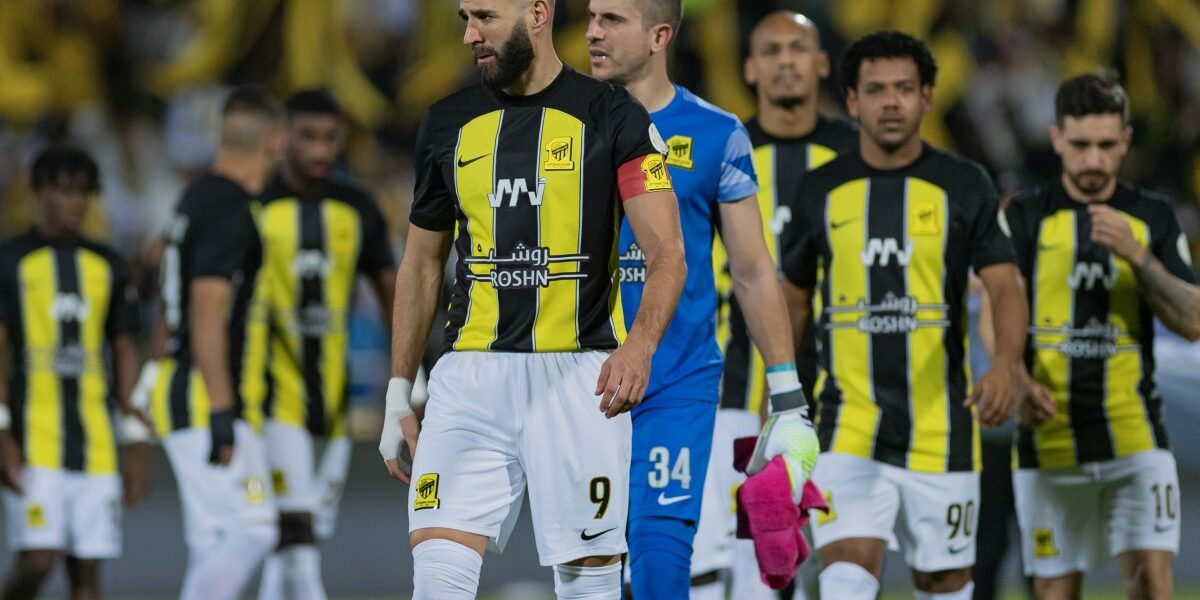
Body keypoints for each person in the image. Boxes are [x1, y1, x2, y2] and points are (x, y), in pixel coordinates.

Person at [377, 0, 689, 597]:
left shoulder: (612, 115)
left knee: (588, 587)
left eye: (485, 17)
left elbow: (667, 252)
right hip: (469, 377)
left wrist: (640, 347)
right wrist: (398, 391)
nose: (470, 35)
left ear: (538, 13)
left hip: (579, 380)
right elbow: (420, 262)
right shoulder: (446, 121)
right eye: (464, 18)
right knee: (437, 580)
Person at [780, 31, 1038, 600]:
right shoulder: (821, 189)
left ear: (926, 98)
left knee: (944, 585)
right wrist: (782, 391)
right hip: (847, 425)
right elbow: (791, 298)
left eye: (904, 89)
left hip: (942, 429)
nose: (890, 102)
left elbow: (1004, 285)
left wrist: (1004, 365)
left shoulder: (964, 183)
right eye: (875, 90)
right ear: (851, 101)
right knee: (845, 579)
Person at [585, 2, 820, 598]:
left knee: (664, 558)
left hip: (679, 379)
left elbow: (752, 270)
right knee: (590, 564)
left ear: (659, 35)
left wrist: (787, 395)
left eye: (611, 18)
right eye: (591, 16)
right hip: (580, 379)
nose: (591, 31)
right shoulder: (566, 124)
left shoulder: (718, 133)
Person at [1006, 74, 1199, 600]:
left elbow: (1194, 320)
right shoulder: (1025, 215)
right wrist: (1015, 375)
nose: (1093, 160)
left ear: (1127, 142)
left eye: (1106, 146)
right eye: (1081, 145)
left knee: (1151, 585)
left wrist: (1139, 257)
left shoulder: (1152, 216)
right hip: (1048, 440)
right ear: (1056, 140)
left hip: (1135, 436)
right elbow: (1000, 306)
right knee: (1054, 592)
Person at [703, 11, 859, 600]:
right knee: (752, 565)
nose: (786, 60)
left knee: (835, 566)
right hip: (739, 395)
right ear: (750, 68)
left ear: (822, 64)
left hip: (846, 397)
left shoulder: (859, 155)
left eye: (800, 48)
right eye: (772, 50)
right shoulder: (720, 150)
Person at [254, 88, 396, 600]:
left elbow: (390, 290)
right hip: (268, 397)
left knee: (296, 534)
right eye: (307, 136)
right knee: (297, 528)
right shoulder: (256, 202)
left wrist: (409, 377)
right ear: (282, 138)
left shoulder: (356, 207)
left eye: (329, 138)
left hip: (331, 402)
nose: (319, 150)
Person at [145, 86, 284, 600]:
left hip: (181, 383)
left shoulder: (196, 195)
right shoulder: (231, 207)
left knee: (212, 543)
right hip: (206, 393)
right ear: (276, 141)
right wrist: (223, 408)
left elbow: (161, 279)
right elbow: (206, 306)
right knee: (254, 529)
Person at [0, 146, 149, 600]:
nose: (76, 203)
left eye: (84, 192)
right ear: (39, 192)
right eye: (65, 191)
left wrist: (134, 440)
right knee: (38, 560)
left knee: (87, 579)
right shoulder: (10, 259)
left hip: (97, 444)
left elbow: (124, 349)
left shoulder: (108, 265)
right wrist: (2, 431)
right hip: (33, 438)